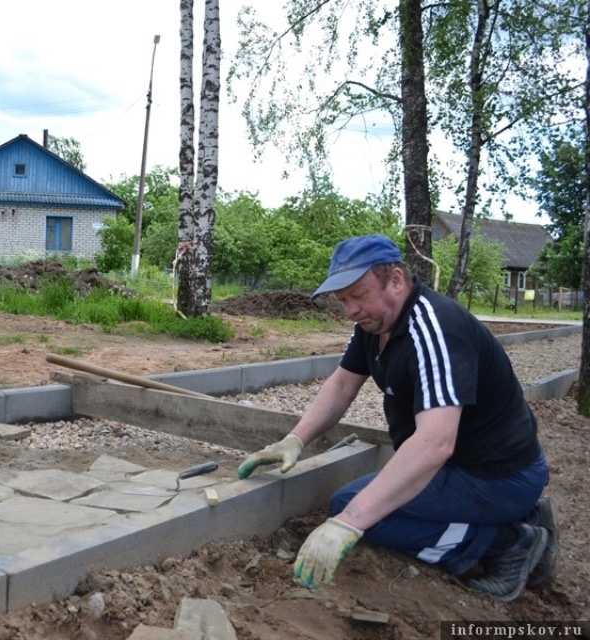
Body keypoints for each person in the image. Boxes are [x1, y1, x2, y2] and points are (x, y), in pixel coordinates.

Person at [237, 233, 557, 602]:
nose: (351, 310)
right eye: (343, 301)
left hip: (498, 476)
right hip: (464, 467)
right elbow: (342, 384)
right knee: (363, 504)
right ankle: (513, 519)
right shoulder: (374, 326)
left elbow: (435, 444)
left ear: (396, 280)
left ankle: (506, 543)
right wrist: (295, 439)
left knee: (363, 513)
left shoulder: (435, 330)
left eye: (359, 295)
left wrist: (349, 522)